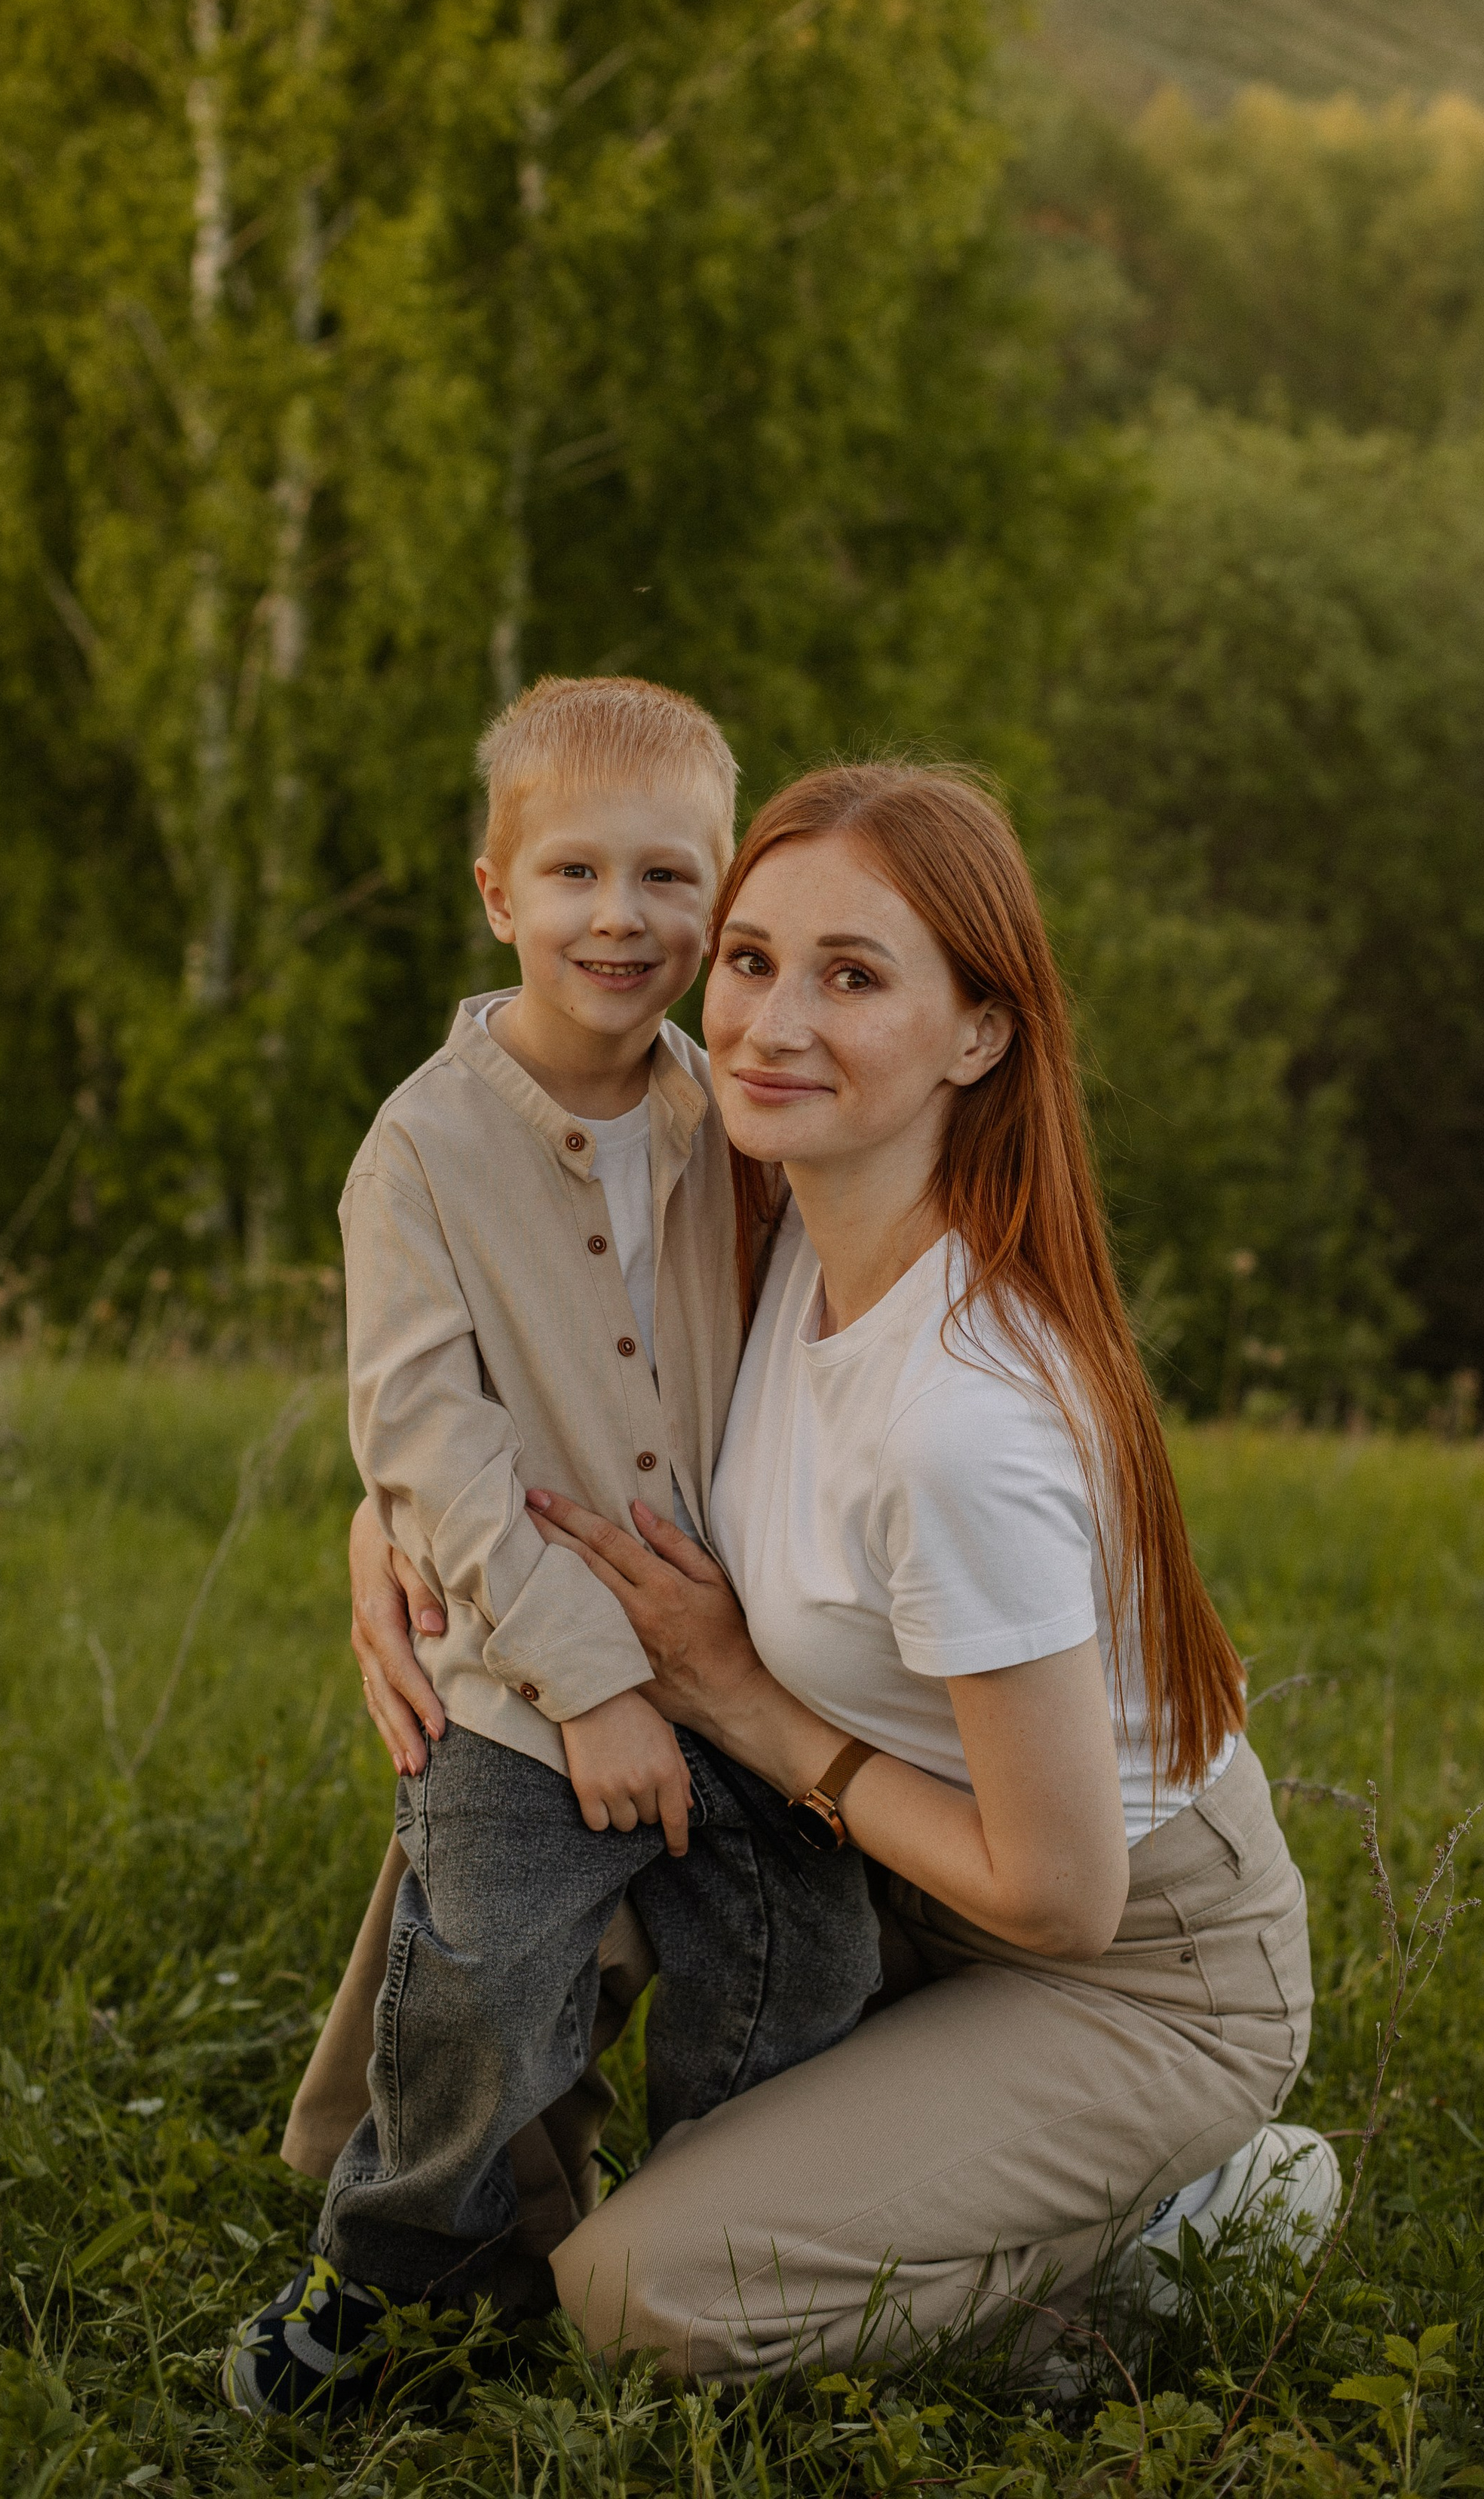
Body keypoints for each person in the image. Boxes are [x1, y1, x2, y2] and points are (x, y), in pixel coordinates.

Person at [513, 762, 1338, 2379]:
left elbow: (1059, 1894)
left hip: (1131, 1976)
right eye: (748, 959)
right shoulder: (769, 1221)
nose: (766, 1024)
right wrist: (377, 1537)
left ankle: (1196, 2219)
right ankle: (391, 2230)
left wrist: (747, 1706)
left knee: (635, 2298)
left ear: (978, 1032)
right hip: (885, 1884)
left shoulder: (962, 1420)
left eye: (851, 976)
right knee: (499, 1771)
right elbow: (489, 1363)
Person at [222, 680, 878, 2425]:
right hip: (520, 1689)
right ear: (496, 894)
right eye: (574, 873)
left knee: (799, 1953)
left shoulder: (728, 1112)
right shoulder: (421, 1151)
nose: (622, 916)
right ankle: (386, 2273)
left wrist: (694, 1675)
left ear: (721, 899)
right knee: (484, 1993)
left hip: (738, 1663)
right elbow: (426, 1445)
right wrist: (589, 1684)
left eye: (670, 878)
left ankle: (716, 2245)